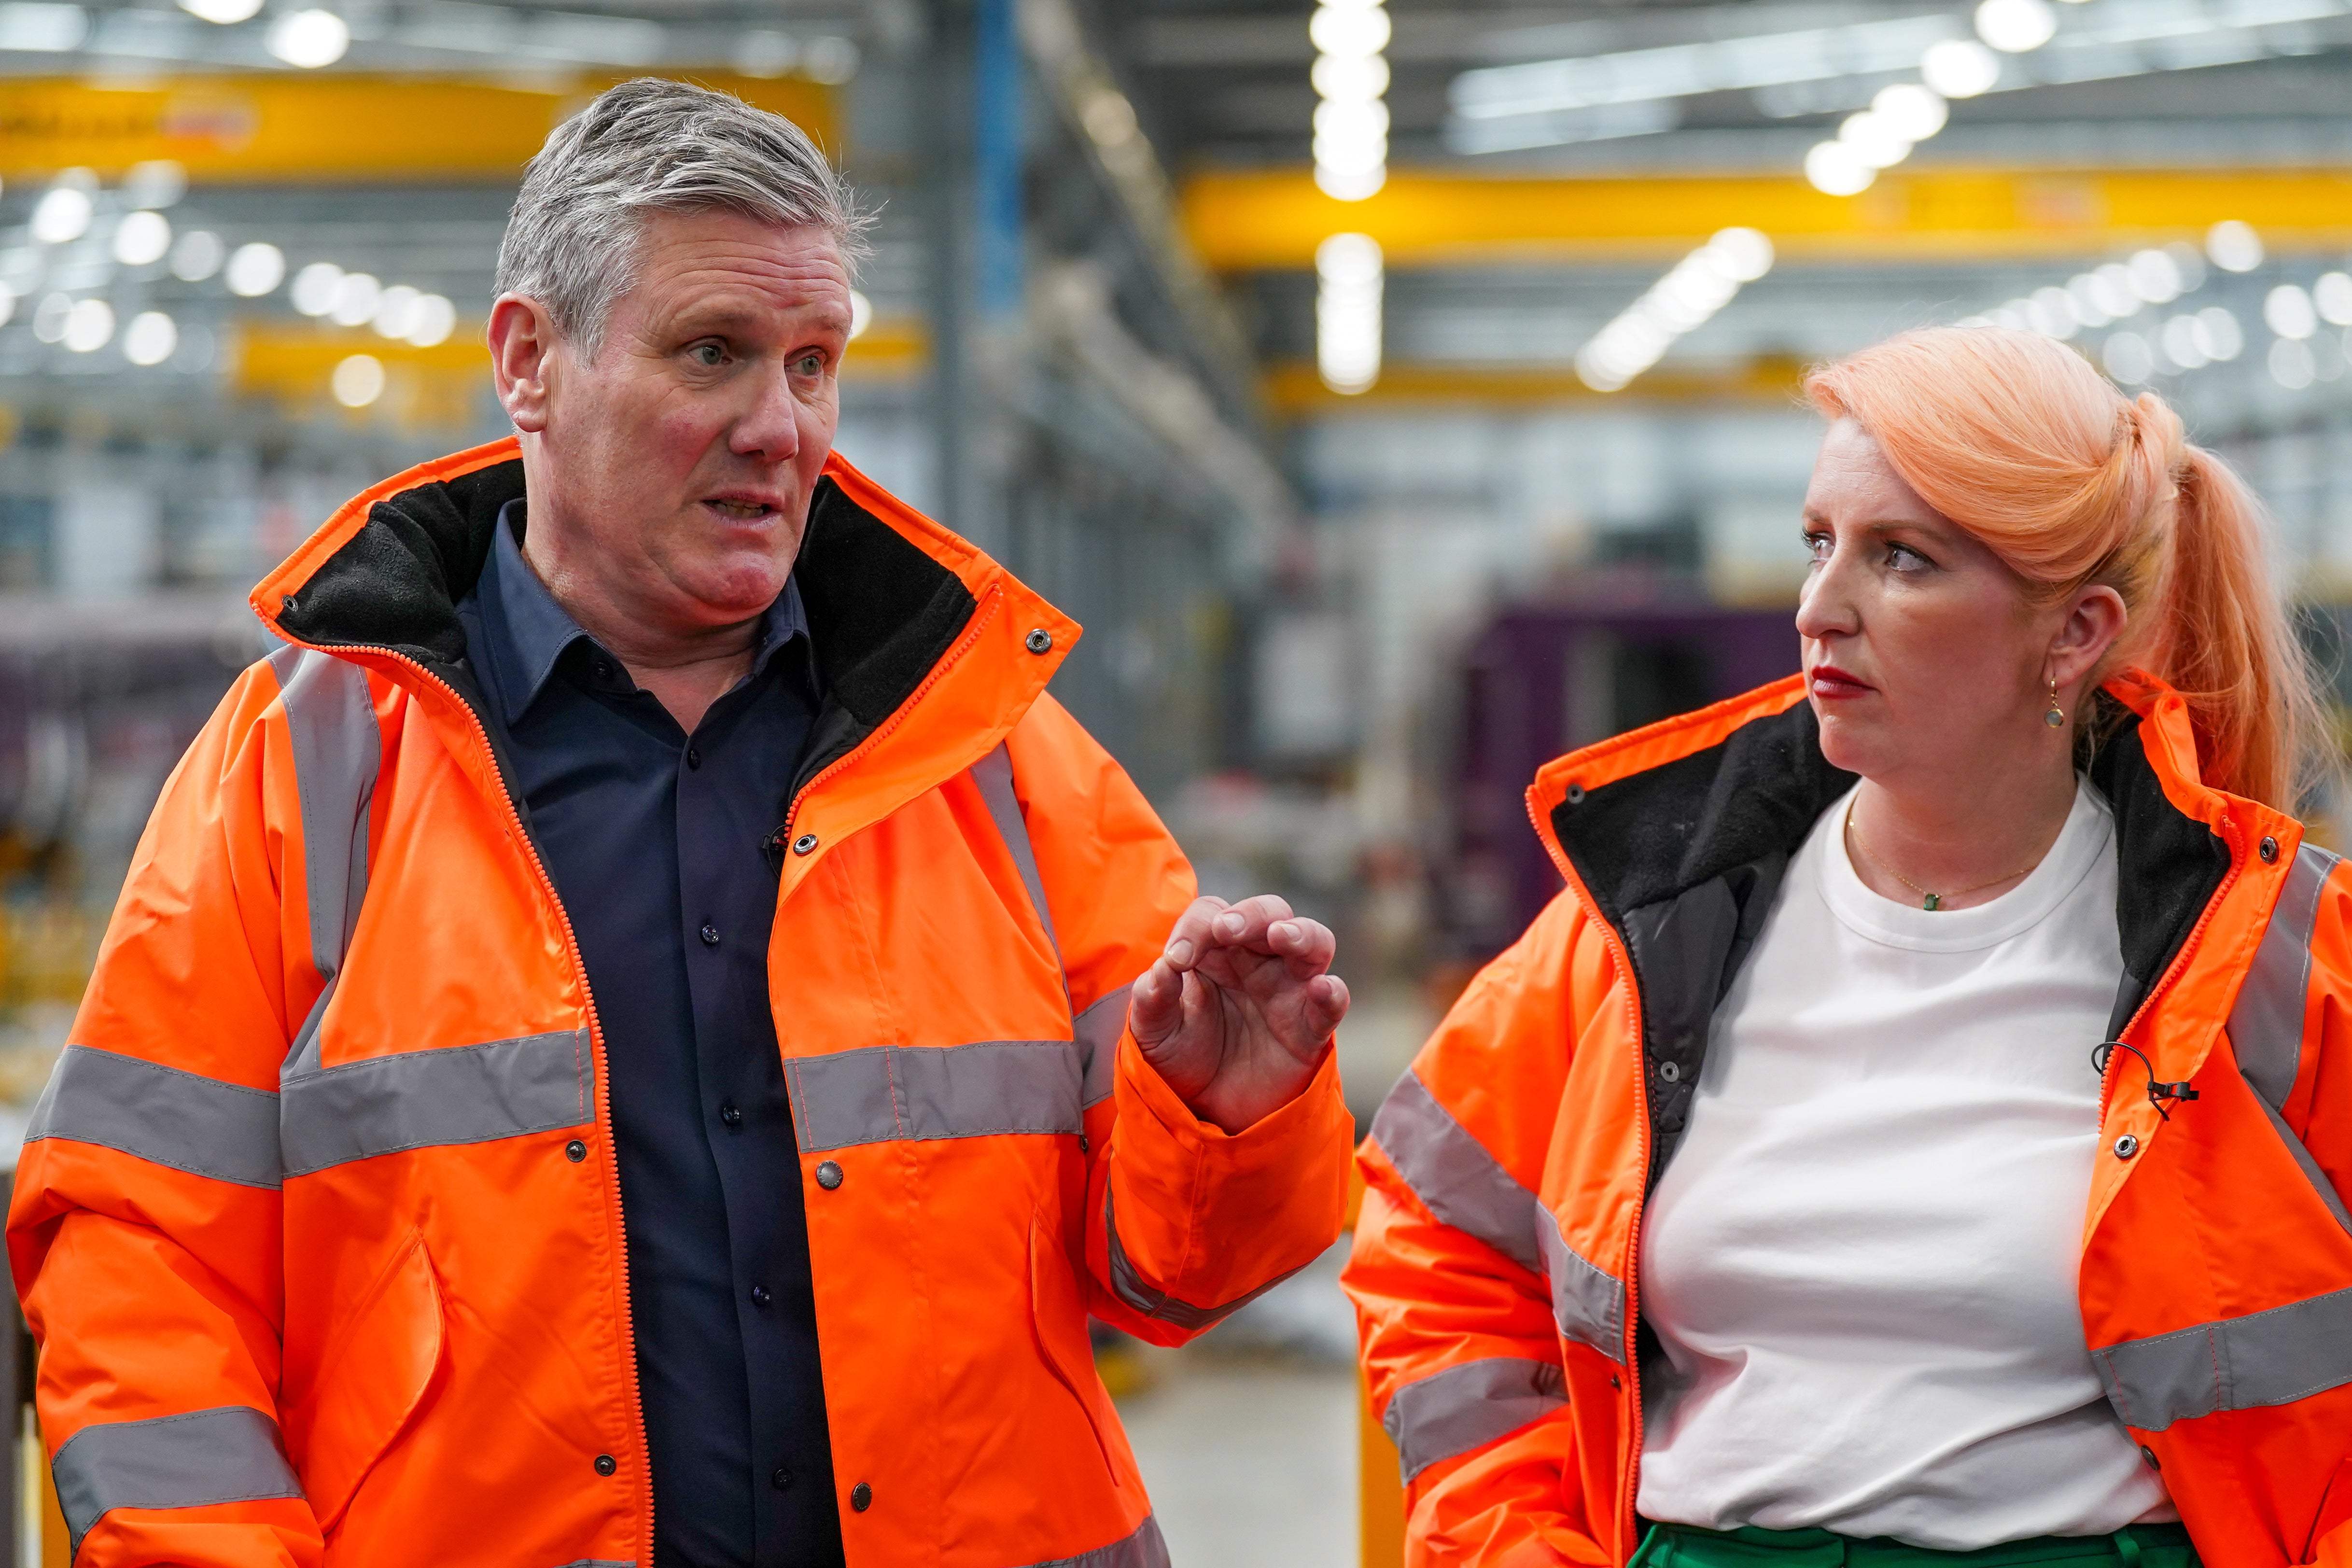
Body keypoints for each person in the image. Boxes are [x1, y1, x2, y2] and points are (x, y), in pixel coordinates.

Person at [9, 78, 1354, 1568]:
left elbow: (1171, 1284)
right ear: (529, 360)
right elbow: (139, 1262)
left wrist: (1222, 1121)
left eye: (813, 362)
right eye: (712, 353)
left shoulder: (996, 759)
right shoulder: (303, 775)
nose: (781, 428)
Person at [1345, 324, 2352, 1567]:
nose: (1820, 609)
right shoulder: (1649, 926)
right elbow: (1436, 1231)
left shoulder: (2269, 959)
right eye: (1820, 542)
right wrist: (1512, 1542)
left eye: (1904, 560)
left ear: (2076, 630)